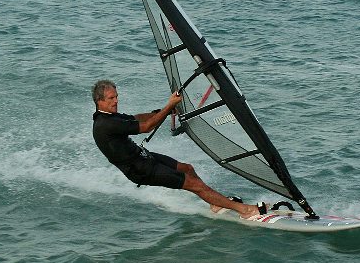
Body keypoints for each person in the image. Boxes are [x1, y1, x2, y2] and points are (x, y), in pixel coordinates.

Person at [91, 79, 265, 219]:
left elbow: (136, 118)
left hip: (144, 158)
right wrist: (169, 105)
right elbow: (146, 127)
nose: (116, 101)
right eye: (111, 99)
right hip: (141, 170)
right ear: (100, 101)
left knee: (187, 168)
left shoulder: (110, 116)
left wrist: (164, 111)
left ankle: (216, 204)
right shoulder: (106, 124)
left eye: (116, 96)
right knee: (194, 184)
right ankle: (244, 210)